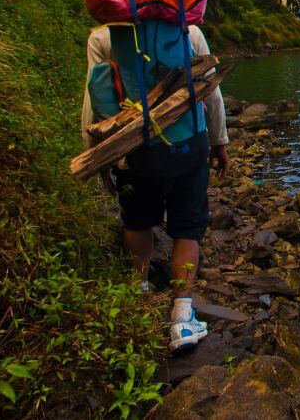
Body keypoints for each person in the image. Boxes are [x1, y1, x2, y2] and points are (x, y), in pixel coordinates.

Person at [81, 23, 230, 354]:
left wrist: (99, 158)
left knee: (137, 220)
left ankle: (138, 295)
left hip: (136, 150)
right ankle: (182, 316)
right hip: (190, 146)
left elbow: (94, 100)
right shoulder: (188, 32)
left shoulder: (104, 36)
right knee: (188, 228)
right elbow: (212, 93)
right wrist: (220, 142)